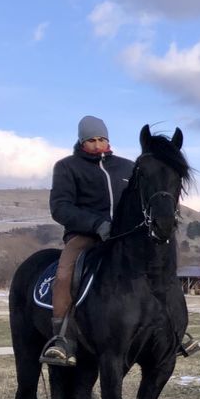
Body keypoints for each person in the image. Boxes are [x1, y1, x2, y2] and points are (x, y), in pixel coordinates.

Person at [40, 116, 135, 366]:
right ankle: (61, 338)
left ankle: (171, 329)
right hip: (85, 236)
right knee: (64, 275)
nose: (97, 144)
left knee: (156, 266)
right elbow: (60, 207)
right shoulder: (67, 167)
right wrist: (96, 224)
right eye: (91, 140)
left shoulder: (128, 168)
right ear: (82, 141)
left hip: (125, 237)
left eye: (102, 139)